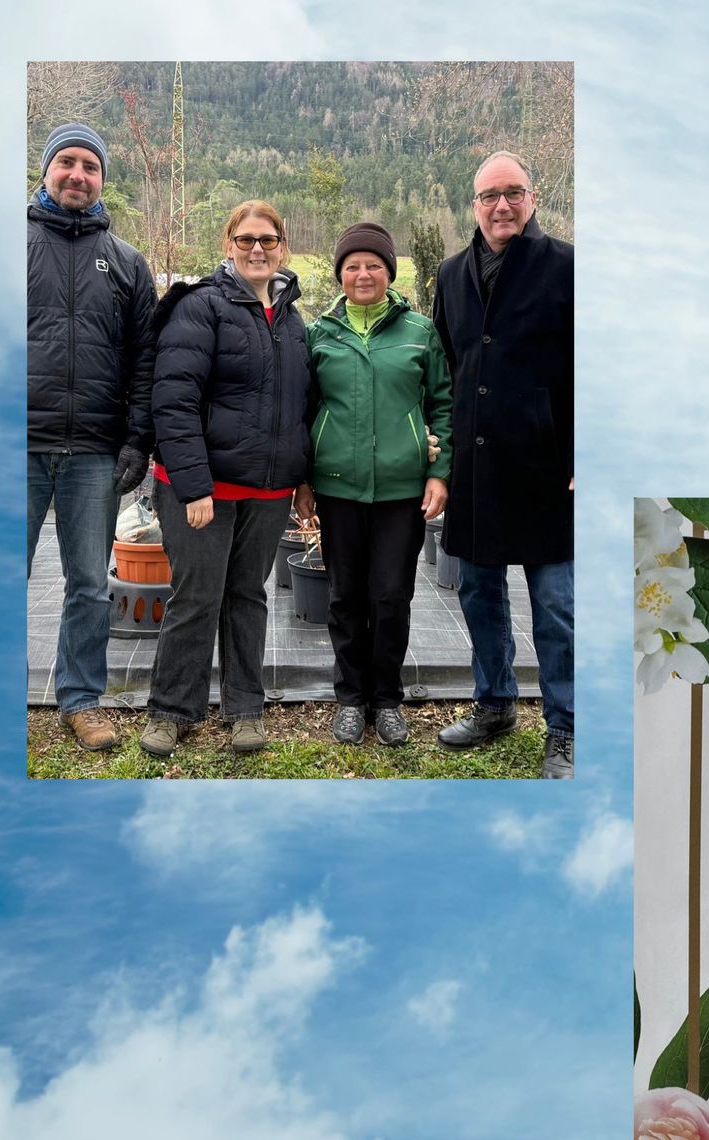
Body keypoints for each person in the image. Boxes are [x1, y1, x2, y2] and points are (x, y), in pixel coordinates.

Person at [140, 200, 312, 757]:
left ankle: (244, 709)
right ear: (228, 245)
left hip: (267, 492)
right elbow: (173, 400)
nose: (257, 249)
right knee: (196, 597)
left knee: (247, 596)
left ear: (282, 246)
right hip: (203, 490)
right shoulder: (202, 307)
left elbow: (302, 407)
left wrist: (301, 478)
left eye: (268, 239)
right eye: (246, 240)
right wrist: (193, 486)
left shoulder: (291, 319)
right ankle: (171, 710)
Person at [432, 151, 575, 779]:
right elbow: (450, 364)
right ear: (474, 206)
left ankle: (565, 727)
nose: (502, 205)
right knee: (478, 593)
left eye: (513, 192)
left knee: (555, 605)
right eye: (490, 195)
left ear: (532, 198)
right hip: (476, 468)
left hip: (548, 469)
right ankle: (495, 704)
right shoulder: (450, 274)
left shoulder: (569, 267)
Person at [296, 222, 452, 746]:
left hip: (401, 489)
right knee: (345, 597)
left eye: (374, 265)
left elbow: (443, 406)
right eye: (352, 266)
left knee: (390, 596)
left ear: (389, 271)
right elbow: (305, 409)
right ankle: (349, 697)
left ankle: (386, 699)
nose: (363, 274)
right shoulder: (319, 334)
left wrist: (438, 470)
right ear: (340, 274)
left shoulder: (418, 331)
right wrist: (305, 481)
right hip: (338, 487)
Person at [27, 122, 157, 750]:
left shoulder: (128, 263)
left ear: (104, 179)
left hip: (94, 452)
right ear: (47, 169)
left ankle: (80, 699)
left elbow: (145, 361)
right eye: (67, 162)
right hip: (16, 445)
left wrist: (137, 440)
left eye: (90, 166)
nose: (78, 174)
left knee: (87, 582)